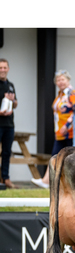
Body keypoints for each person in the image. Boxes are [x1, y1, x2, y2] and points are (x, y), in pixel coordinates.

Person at [32, 70, 75, 188]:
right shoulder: (60, 95)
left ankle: (53, 181)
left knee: (67, 157)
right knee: (55, 155)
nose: (60, 82)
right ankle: (47, 181)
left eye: (62, 79)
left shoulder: (72, 93)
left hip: (69, 132)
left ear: (68, 80)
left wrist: (67, 126)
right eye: (58, 80)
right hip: (60, 132)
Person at [0, 58, 18, 189]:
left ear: (8, 69)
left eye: (4, 67)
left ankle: (5, 178)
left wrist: (14, 101)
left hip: (9, 125)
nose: (2, 70)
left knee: (7, 152)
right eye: (0, 68)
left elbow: (15, 104)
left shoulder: (11, 85)